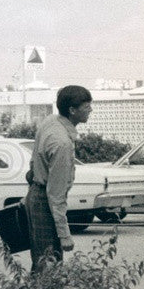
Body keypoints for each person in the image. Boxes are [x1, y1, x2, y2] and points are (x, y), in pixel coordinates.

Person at [25, 85, 93, 272]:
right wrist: (65, 236)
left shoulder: (50, 121)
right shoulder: (62, 142)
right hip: (45, 202)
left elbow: (32, 167)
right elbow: (56, 195)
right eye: (86, 107)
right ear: (72, 110)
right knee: (49, 266)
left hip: (36, 194)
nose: (90, 110)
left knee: (42, 263)